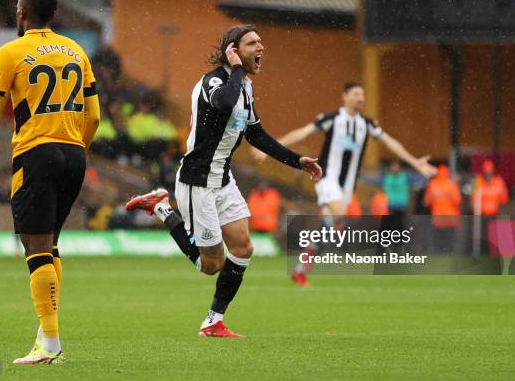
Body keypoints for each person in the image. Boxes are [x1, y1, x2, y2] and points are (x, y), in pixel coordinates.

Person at [126, 24, 322, 338]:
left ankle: (213, 321)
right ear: (233, 50)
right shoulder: (214, 82)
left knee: (243, 247)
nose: (261, 48)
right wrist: (233, 68)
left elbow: (256, 134)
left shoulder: (242, 86)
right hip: (197, 181)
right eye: (252, 43)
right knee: (210, 265)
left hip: (223, 180)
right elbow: (224, 102)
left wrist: (296, 161)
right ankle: (162, 208)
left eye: (261, 42)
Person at [0, 0, 100, 364]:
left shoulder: (11, 52)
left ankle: (51, 345)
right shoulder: (76, 50)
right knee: (51, 244)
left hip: (36, 154)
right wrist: (75, 148)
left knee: (35, 248)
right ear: (53, 15)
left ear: (22, 13)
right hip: (74, 153)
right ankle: (47, 335)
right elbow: (95, 116)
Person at [252, 82, 436, 285]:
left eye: (363, 95)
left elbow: (390, 142)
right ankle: (325, 218)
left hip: (347, 186)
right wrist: (270, 148)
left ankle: (301, 268)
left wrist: (414, 161)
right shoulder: (332, 119)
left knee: (331, 226)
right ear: (345, 96)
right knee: (338, 212)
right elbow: (302, 133)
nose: (361, 98)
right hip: (327, 178)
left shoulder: (367, 124)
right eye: (356, 94)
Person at [471, 159, 509, 252]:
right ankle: (483, 252)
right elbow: (473, 198)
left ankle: (494, 253)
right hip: (482, 215)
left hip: (494, 214)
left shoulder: (499, 182)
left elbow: (504, 198)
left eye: (489, 172)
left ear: (492, 171)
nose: (488, 174)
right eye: (486, 172)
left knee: (494, 237)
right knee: (483, 237)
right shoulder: (478, 181)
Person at [423, 165, 461, 253]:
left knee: (438, 241)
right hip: (450, 218)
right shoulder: (452, 184)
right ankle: (448, 254)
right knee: (449, 241)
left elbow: (426, 201)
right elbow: (458, 201)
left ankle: (439, 254)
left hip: (437, 218)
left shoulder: (432, 184)